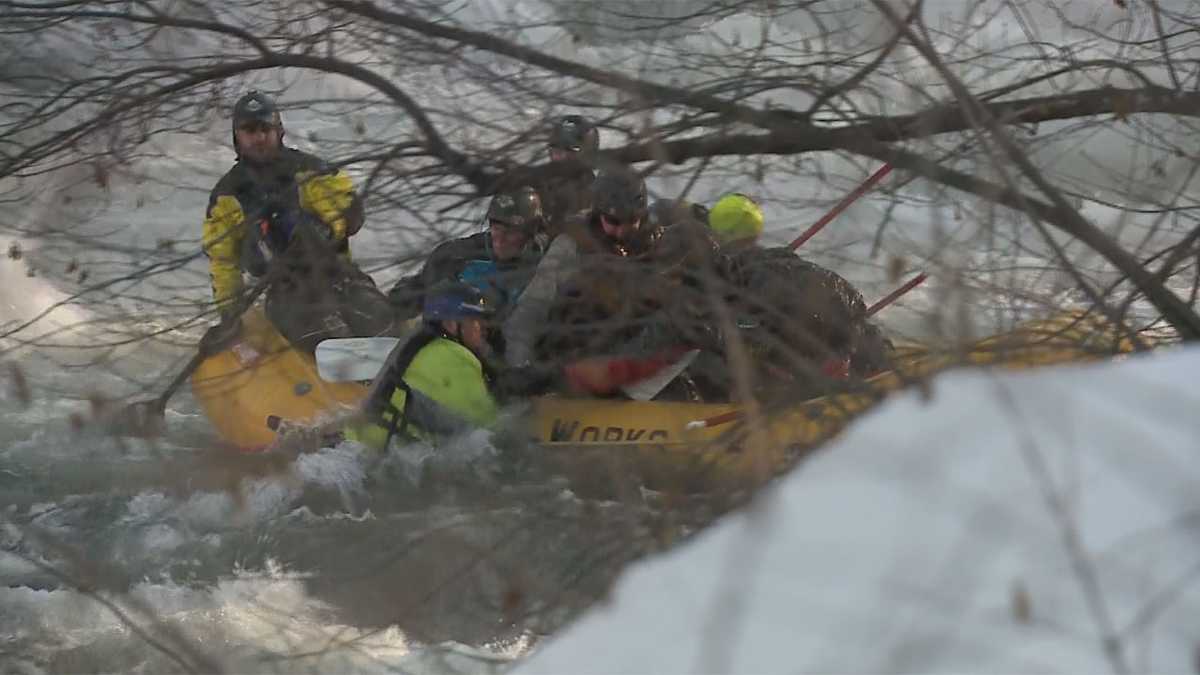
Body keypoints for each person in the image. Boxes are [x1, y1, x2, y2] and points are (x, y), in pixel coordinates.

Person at [200, 90, 393, 354]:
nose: (259, 138)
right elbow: (223, 263)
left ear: (279, 131)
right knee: (317, 336)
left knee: (381, 320)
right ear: (237, 136)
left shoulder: (312, 171)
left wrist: (327, 229)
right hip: (285, 293)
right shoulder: (227, 196)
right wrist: (230, 315)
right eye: (250, 131)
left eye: (265, 129)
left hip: (337, 275)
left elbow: (349, 214)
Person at [345, 282, 501, 450]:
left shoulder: (416, 342)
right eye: (474, 322)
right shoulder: (455, 358)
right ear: (451, 324)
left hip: (357, 444)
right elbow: (490, 427)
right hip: (379, 460)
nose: (482, 330)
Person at [387, 186, 547, 333]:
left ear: (529, 233)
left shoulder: (546, 264)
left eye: (511, 233)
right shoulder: (459, 256)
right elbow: (417, 290)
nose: (500, 240)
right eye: (497, 229)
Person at [540, 114, 599, 235]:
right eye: (557, 151)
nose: (562, 157)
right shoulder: (538, 186)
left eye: (571, 152)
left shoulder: (598, 194)